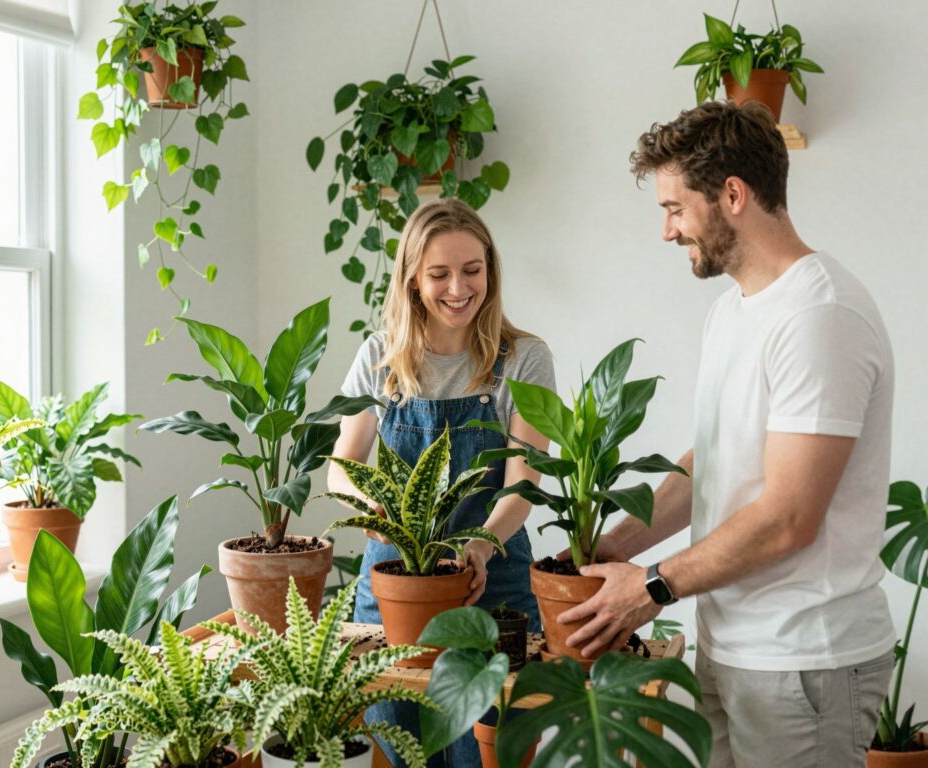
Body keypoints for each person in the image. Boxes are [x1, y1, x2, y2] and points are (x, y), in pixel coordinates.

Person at [556, 101, 896, 767]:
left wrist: (650, 586)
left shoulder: (819, 315)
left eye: (675, 207)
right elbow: (713, 461)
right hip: (731, 644)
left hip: (804, 661)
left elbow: (789, 517)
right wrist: (612, 545)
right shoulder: (734, 312)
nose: (666, 230)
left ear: (733, 195)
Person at [330, 197, 555, 768]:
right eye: (439, 274)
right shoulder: (380, 357)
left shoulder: (523, 359)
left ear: (491, 272)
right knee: (402, 749)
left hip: (494, 584)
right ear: (411, 280)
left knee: (489, 753)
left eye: (473, 270)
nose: (459, 287)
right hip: (394, 589)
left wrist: (478, 547)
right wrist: (375, 510)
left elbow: (521, 484)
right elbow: (342, 464)